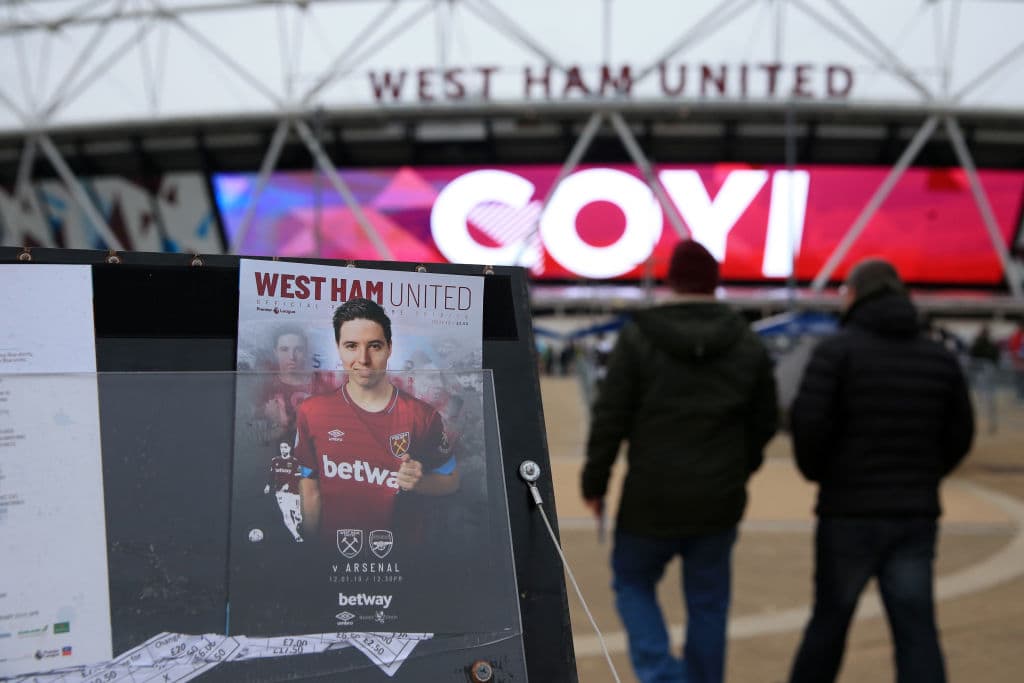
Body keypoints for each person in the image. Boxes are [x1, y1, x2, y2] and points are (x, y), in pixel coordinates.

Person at [581, 239, 779, 683]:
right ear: (716, 282)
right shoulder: (746, 341)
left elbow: (611, 418)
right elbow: (765, 421)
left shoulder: (637, 338)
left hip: (650, 495)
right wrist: (737, 466)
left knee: (632, 583)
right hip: (719, 497)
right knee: (708, 603)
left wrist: (595, 482)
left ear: (672, 280)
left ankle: (662, 675)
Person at [787, 258, 974, 683]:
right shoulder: (937, 357)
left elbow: (809, 425)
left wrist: (823, 475)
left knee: (828, 624)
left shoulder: (835, 352)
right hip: (914, 511)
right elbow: (961, 433)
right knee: (916, 630)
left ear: (854, 295)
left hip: (847, 511)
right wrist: (926, 473)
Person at [294, 298, 459, 548]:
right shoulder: (312, 411)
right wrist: (309, 552)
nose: (363, 359)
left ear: (389, 348)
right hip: (331, 560)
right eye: (351, 346)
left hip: (401, 563)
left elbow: (451, 481)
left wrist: (419, 483)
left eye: (374, 346)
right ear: (338, 347)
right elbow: (310, 487)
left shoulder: (422, 416)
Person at [264, 441, 304, 542]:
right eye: (281, 447)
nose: (283, 449)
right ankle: (296, 536)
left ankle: (297, 519)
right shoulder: (275, 460)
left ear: (289, 448)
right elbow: (272, 475)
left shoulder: (295, 461)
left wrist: (289, 484)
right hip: (280, 493)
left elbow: (301, 474)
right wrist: (268, 485)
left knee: (298, 515)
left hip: (294, 493)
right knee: (286, 514)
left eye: (285, 447)